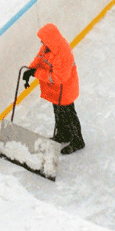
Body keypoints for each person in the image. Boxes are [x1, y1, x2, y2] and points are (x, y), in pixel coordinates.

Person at [21, 23, 85, 154]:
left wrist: (35, 73)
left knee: (68, 115)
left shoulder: (63, 53)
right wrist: (30, 69)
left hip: (65, 91)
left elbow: (58, 78)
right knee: (59, 114)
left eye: (43, 40)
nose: (41, 42)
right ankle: (63, 135)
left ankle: (78, 141)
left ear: (50, 39)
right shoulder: (47, 47)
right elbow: (39, 59)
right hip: (55, 91)